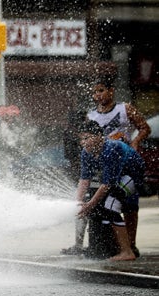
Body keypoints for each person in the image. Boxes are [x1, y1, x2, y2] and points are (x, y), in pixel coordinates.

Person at [63, 76, 150, 257]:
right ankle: (81, 244)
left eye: (101, 90)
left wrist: (134, 142)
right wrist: (79, 202)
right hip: (104, 163)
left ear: (111, 91)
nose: (97, 95)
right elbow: (84, 180)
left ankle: (129, 248)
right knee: (90, 200)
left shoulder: (124, 109)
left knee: (123, 205)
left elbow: (144, 127)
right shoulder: (90, 120)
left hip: (128, 168)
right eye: (94, 92)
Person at [74, 120, 144, 261]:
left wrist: (89, 205)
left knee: (111, 205)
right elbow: (84, 180)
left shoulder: (112, 148)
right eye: (81, 139)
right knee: (105, 205)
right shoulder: (86, 152)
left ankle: (127, 252)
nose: (83, 142)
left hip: (132, 175)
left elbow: (106, 185)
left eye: (87, 138)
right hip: (117, 177)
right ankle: (119, 247)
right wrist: (79, 201)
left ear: (99, 136)